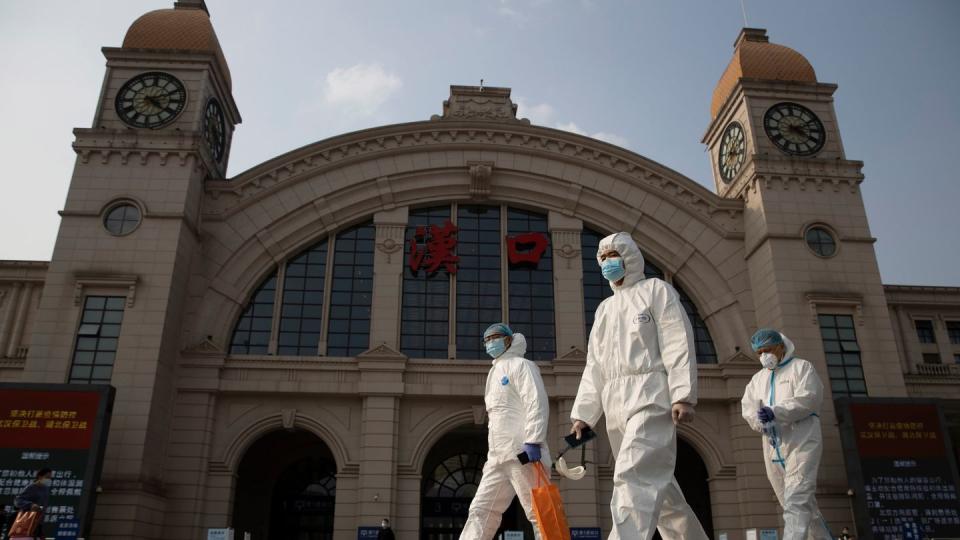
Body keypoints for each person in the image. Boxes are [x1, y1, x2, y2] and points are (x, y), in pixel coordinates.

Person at [570, 232, 708, 540]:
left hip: (651, 393)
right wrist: (584, 414)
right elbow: (596, 364)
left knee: (633, 477)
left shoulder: (656, 291)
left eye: (613, 256)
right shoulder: (605, 309)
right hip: (615, 402)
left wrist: (683, 394)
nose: (607, 263)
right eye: (602, 258)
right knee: (662, 492)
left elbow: (677, 341)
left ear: (630, 257)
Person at [460, 323, 551, 540]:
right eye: (487, 340)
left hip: (522, 453)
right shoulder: (494, 372)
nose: (491, 343)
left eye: (495, 337)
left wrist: (534, 440)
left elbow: (536, 401)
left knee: (540, 511)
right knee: (481, 509)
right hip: (497, 457)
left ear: (509, 339)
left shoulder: (522, 365)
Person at [741, 329, 830, 540]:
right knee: (796, 503)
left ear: (781, 346)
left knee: (796, 499)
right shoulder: (757, 379)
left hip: (801, 441)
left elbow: (809, 399)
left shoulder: (801, 368)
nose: (764, 356)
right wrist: (759, 421)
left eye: (768, 350)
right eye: (759, 352)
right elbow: (748, 409)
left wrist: (776, 412)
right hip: (772, 445)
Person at [12, 467, 52, 539]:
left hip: (38, 522)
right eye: (47, 477)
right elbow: (18, 500)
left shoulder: (46, 489)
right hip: (28, 521)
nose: (49, 479)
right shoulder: (31, 487)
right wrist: (30, 505)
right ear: (40, 476)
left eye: (50, 478)